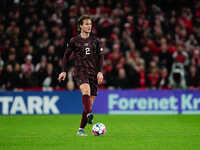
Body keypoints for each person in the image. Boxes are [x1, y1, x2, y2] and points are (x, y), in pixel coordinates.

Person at [58, 15, 104, 136]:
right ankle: (89, 114)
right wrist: (63, 70)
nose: (89, 26)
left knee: (89, 103)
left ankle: (81, 130)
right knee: (86, 91)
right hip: (80, 71)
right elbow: (66, 56)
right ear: (80, 26)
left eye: (90, 24)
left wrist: (100, 72)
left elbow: (100, 57)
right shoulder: (74, 41)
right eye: (87, 24)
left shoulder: (95, 41)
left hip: (93, 73)